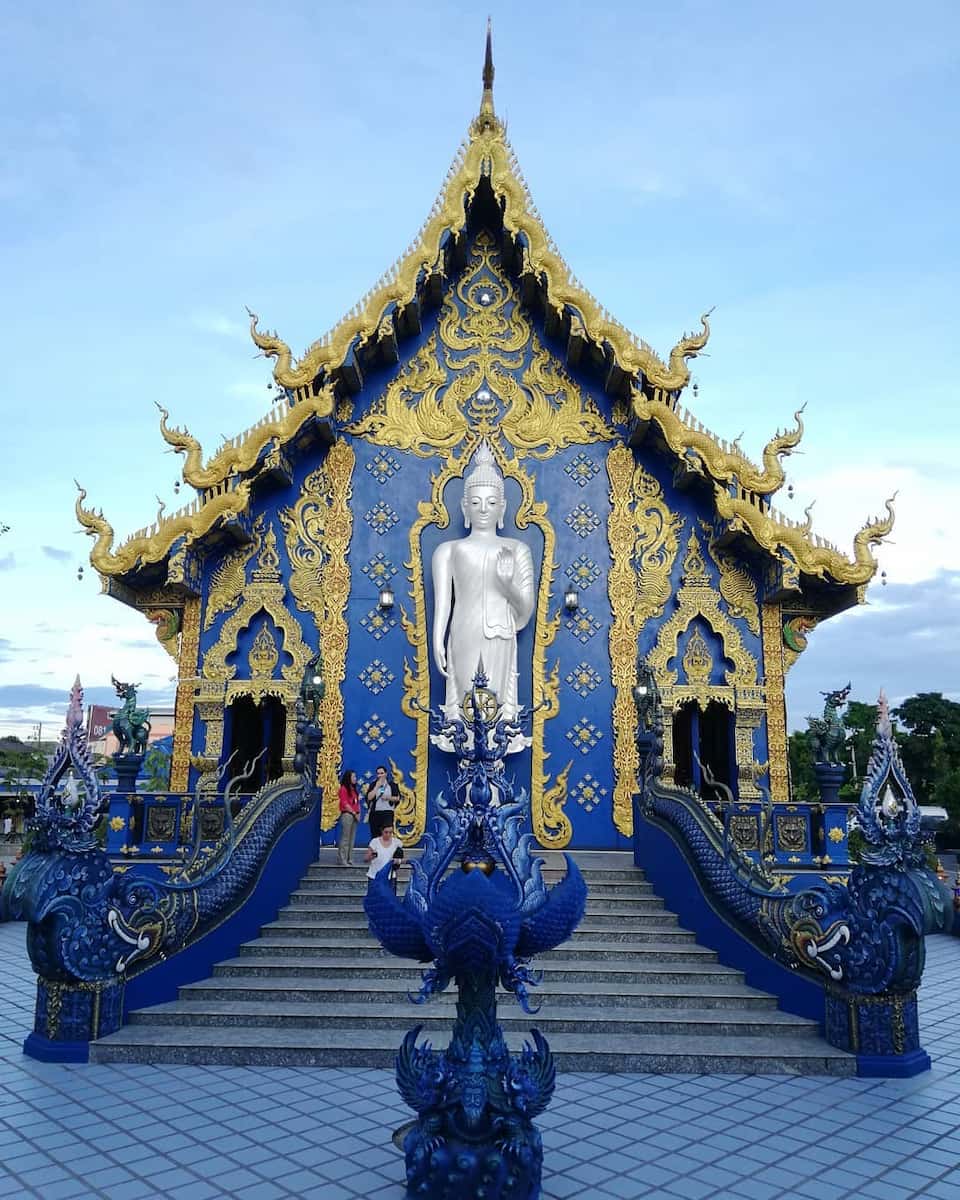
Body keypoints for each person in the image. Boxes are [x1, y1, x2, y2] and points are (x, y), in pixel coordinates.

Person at [431, 441, 535, 747]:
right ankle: (466, 753)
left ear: (502, 507)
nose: (484, 510)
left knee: (496, 702)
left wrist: (505, 585)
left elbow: (525, 610)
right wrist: (438, 640)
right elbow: (443, 606)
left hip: (501, 634)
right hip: (463, 632)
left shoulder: (517, 550)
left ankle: (494, 761)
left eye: (491, 503)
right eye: (476, 503)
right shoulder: (448, 551)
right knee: (465, 701)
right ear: (465, 507)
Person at [365, 823, 403, 890]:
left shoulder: (397, 843)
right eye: (386, 832)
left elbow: (402, 858)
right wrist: (372, 856)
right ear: (382, 831)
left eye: (390, 832)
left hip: (390, 877)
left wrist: (398, 861)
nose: (388, 834)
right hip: (374, 875)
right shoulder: (374, 842)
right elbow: (366, 859)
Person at [336, 769, 361, 867]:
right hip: (347, 814)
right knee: (345, 838)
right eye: (353, 777)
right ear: (348, 778)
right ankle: (342, 859)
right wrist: (354, 812)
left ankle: (349, 858)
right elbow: (345, 803)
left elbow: (356, 802)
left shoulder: (353, 789)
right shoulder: (343, 789)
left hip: (354, 815)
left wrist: (358, 813)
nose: (355, 779)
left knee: (352, 838)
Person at [366, 764, 398, 837]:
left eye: (382, 773)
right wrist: (377, 786)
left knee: (387, 834)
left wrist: (388, 797)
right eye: (378, 774)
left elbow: (397, 798)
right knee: (375, 836)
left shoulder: (392, 785)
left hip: (388, 813)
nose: (380, 775)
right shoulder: (373, 784)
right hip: (376, 813)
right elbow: (369, 797)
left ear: (386, 774)